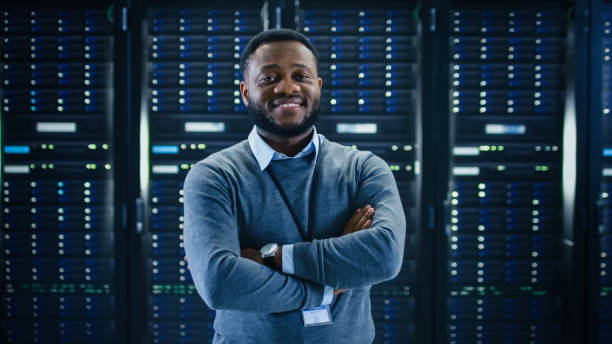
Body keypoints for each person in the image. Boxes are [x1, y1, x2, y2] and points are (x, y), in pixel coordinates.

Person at [183, 28, 406, 344]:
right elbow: (220, 282)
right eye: (269, 78)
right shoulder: (213, 177)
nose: (287, 87)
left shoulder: (364, 168)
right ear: (246, 92)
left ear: (317, 86)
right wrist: (331, 285)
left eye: (300, 76)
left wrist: (271, 257)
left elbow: (383, 256)